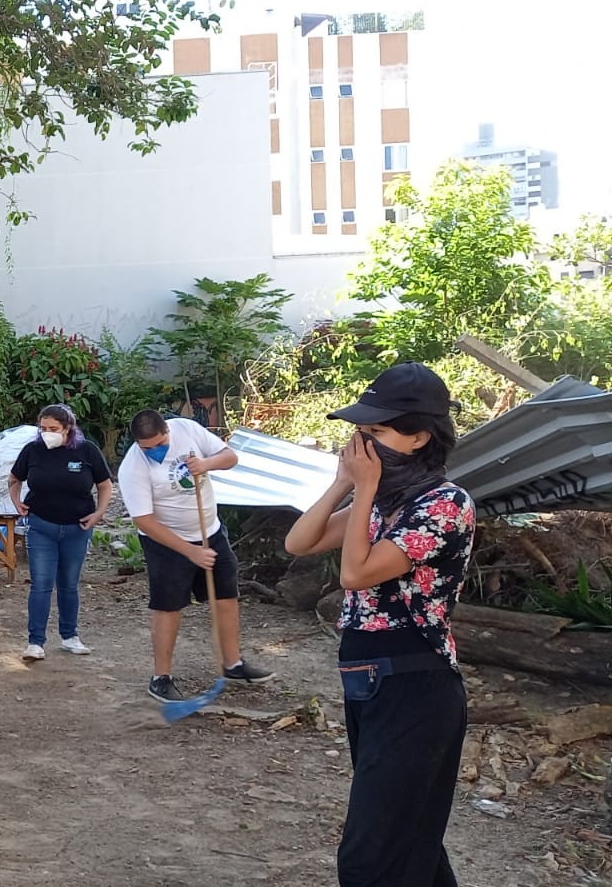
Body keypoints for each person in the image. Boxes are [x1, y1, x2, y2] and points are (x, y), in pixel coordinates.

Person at [283, 363, 474, 887]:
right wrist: (343, 482)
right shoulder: (382, 503)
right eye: (359, 433)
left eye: (377, 432)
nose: (362, 446)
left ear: (419, 436)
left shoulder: (444, 505)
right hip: (368, 681)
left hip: (416, 685)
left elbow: (355, 574)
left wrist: (364, 488)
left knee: (372, 857)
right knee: (410, 844)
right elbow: (298, 543)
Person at [116, 410, 274, 702]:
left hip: (210, 531)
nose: (154, 451)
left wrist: (205, 464)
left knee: (226, 596)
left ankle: (233, 665)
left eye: (159, 444)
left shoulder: (187, 429)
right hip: (166, 541)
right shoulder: (132, 467)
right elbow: (144, 521)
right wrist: (190, 551)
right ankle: (161, 678)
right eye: (146, 447)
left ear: (167, 432)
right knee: (169, 606)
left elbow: (230, 457)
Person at [7, 404, 113, 660]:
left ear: (68, 428)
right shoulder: (32, 450)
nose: (47, 433)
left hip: (78, 527)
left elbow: (105, 484)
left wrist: (99, 513)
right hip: (42, 525)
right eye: (42, 429)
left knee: (69, 585)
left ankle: (69, 636)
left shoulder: (87, 450)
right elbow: (13, 478)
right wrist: (16, 501)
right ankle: (35, 642)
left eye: (53, 429)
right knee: (41, 584)